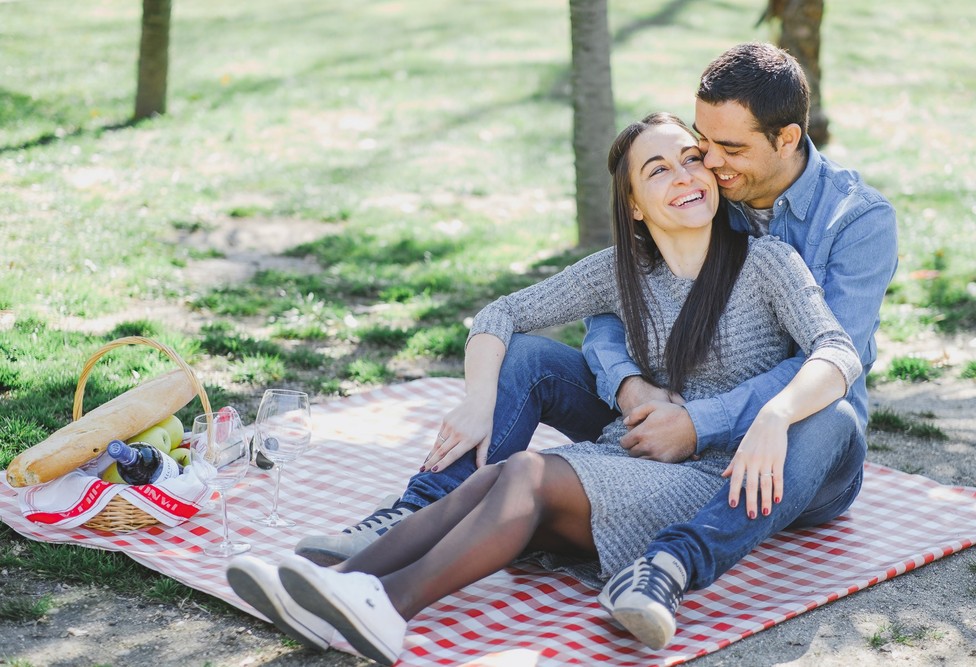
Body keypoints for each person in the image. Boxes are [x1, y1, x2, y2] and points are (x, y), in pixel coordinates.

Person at [226, 112, 862, 663]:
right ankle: (334, 585)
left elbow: (838, 352)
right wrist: (478, 401)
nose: (685, 177)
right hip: (637, 454)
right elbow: (499, 315)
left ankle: (385, 605)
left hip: (722, 477)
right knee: (498, 478)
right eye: (658, 170)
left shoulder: (767, 263)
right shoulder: (619, 273)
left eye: (692, 160)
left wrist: (776, 416)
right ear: (635, 204)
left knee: (527, 474)